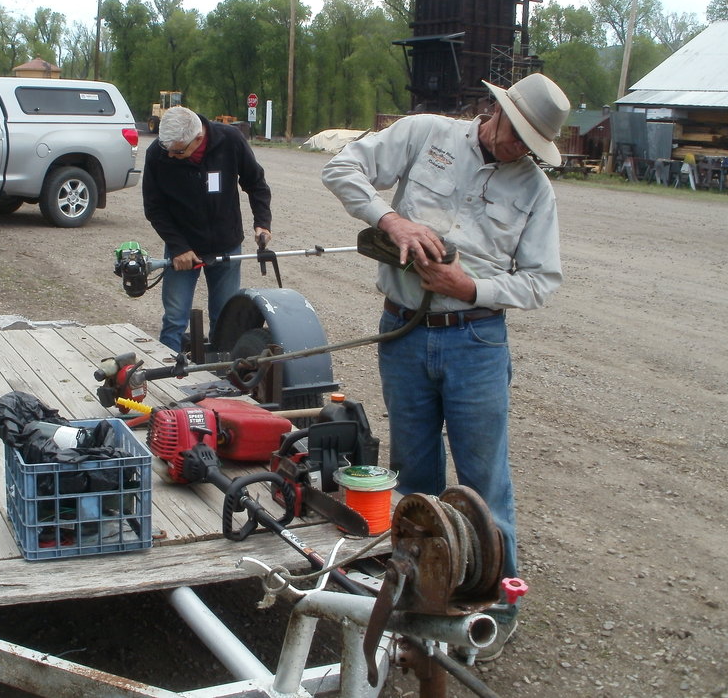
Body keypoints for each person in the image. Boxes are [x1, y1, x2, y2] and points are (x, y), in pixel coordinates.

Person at [321, 73, 569, 662]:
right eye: (517, 136)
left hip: (476, 340)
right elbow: (341, 168)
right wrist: (391, 220)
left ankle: (496, 607)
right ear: (495, 111)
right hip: (405, 331)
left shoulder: (535, 190)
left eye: (532, 145)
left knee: (485, 482)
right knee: (415, 473)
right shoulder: (424, 134)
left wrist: (471, 285)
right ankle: (419, 602)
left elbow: (541, 280)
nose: (518, 150)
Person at [143, 106, 273, 352]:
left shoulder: (230, 141)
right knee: (174, 318)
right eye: (168, 150)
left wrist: (262, 222)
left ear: (199, 139)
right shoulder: (158, 154)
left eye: (178, 151)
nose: (171, 156)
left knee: (225, 318)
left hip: (226, 244)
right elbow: (154, 207)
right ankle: (168, 373)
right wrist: (179, 247)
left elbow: (256, 184)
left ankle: (221, 373)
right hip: (182, 250)